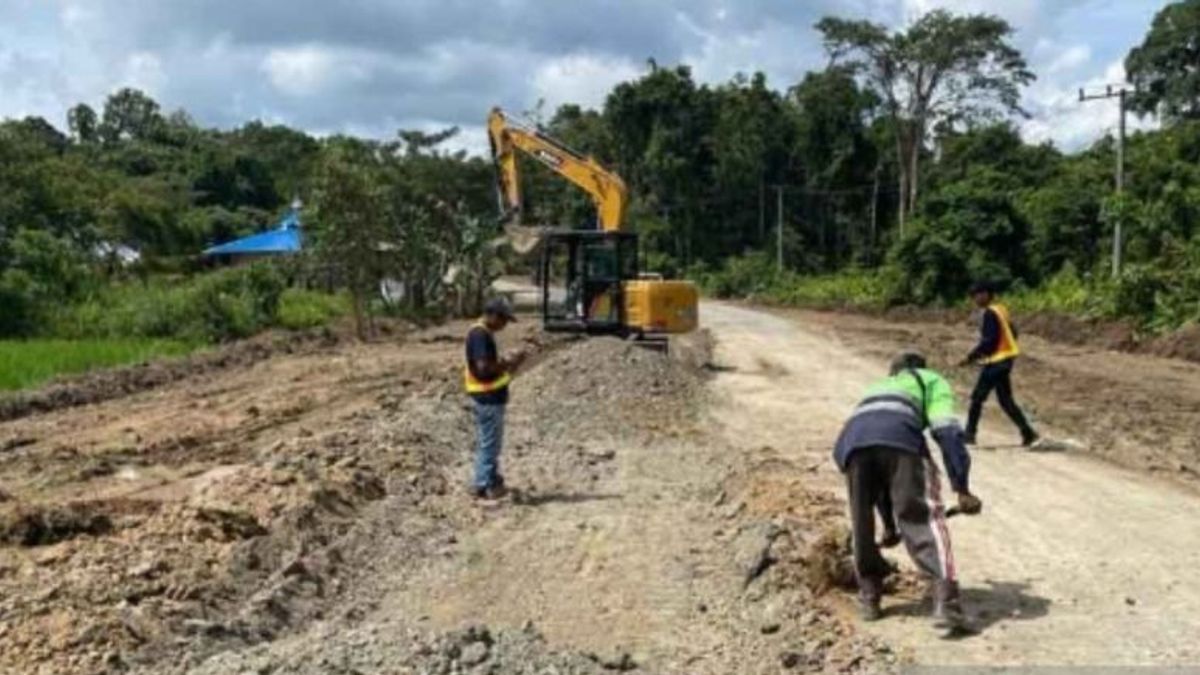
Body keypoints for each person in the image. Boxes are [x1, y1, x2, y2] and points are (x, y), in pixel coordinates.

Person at [833, 352, 982, 627]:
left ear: (895, 371)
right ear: (919, 368)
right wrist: (961, 487)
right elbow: (946, 431)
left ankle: (869, 596)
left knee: (861, 524)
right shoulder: (931, 379)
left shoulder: (878, 386)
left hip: (851, 445)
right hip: (900, 439)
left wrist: (889, 525)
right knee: (924, 517)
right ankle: (946, 601)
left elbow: (881, 479)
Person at [960, 282, 1039, 447]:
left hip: (996, 362)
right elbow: (1013, 332)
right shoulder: (1000, 309)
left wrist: (971, 357)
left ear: (986, 294)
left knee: (977, 398)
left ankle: (969, 434)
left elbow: (989, 341)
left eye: (976, 295)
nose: (974, 299)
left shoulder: (989, 313)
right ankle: (1028, 433)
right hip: (1005, 360)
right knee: (1005, 400)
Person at [464, 298, 525, 500]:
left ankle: (488, 479)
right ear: (493, 315)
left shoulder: (482, 333)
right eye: (504, 320)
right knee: (490, 443)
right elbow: (483, 368)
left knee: (490, 442)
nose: (505, 325)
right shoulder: (480, 334)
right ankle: (485, 484)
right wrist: (508, 363)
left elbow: (487, 365)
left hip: (489, 396)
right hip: (488, 397)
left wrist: (506, 364)